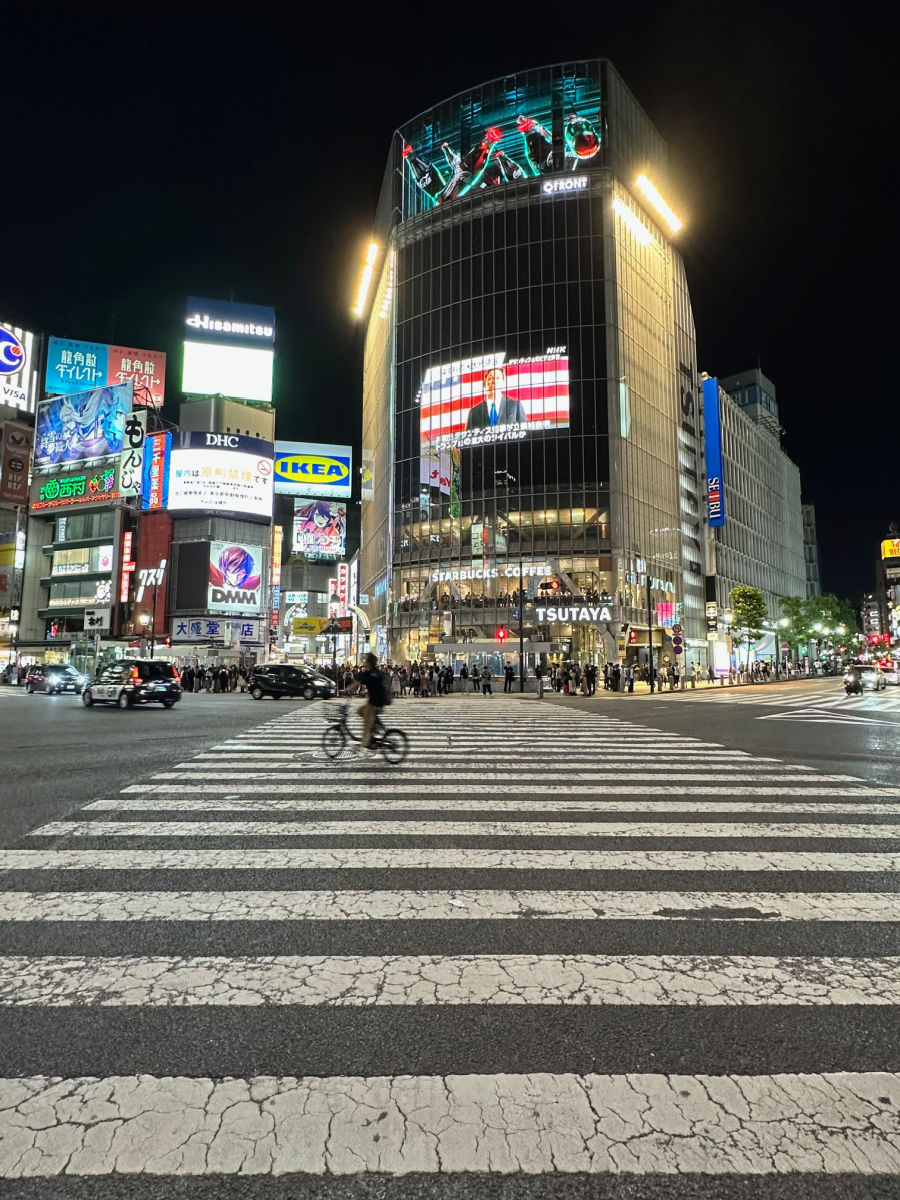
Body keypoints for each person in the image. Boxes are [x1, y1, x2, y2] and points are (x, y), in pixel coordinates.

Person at [464, 366, 527, 431]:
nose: (494, 381)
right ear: (485, 383)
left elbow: (525, 432)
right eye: (490, 378)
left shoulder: (515, 406)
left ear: (503, 383)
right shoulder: (474, 412)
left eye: (497, 378)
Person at [356, 652, 386, 751]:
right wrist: (365, 692)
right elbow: (374, 687)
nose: (364, 662)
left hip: (374, 703)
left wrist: (347, 690)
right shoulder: (375, 672)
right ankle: (374, 726)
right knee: (360, 711)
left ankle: (366, 742)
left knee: (367, 723)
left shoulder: (369, 674)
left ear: (369, 662)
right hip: (378, 701)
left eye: (365, 660)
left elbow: (357, 682)